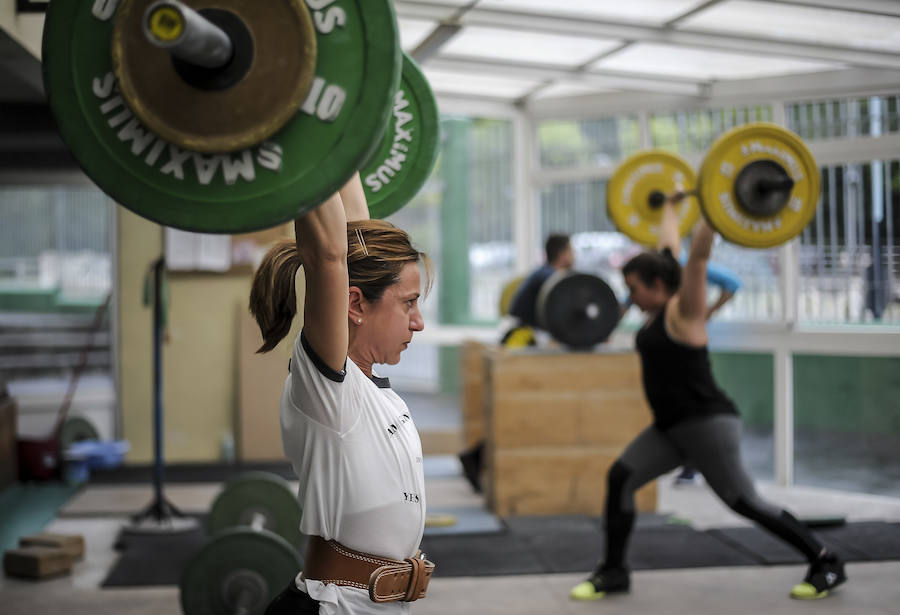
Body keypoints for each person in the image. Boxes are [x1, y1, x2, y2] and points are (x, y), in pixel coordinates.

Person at [569, 191, 846, 602]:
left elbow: (695, 258)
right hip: (670, 429)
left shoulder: (684, 311)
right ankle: (614, 572)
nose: (629, 298)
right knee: (621, 479)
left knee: (745, 502)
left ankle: (825, 560)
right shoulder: (658, 303)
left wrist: (714, 212)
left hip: (706, 424)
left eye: (632, 289)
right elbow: (669, 246)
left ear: (657, 285)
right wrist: (669, 206)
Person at [250, 173, 435, 615]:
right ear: (354, 305)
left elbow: (352, 236)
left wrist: (344, 136)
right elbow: (329, 254)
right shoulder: (332, 392)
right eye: (408, 302)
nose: (419, 321)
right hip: (334, 606)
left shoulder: (375, 394)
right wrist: (306, 144)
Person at [458, 233, 575, 492]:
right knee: (516, 412)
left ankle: (476, 458)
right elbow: (561, 315)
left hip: (518, 338)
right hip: (520, 342)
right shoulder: (549, 278)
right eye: (571, 250)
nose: (574, 255)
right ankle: (476, 458)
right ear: (563, 253)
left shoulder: (542, 274)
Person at [673, 257, 743, 486]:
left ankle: (696, 466)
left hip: (691, 352)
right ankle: (692, 465)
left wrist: (708, 312)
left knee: (695, 406)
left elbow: (732, 283)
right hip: (672, 350)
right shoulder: (657, 268)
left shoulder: (686, 264)